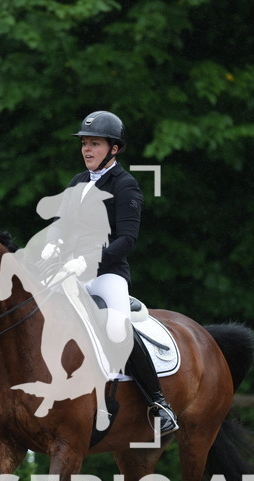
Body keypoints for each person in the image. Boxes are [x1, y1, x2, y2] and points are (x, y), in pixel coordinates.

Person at [66, 110, 179, 435]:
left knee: (118, 327)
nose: (87, 150)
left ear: (114, 149)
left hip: (108, 274)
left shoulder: (126, 185)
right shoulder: (77, 182)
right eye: (85, 144)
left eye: (95, 144)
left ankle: (158, 402)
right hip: (70, 273)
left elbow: (126, 240)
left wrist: (88, 261)